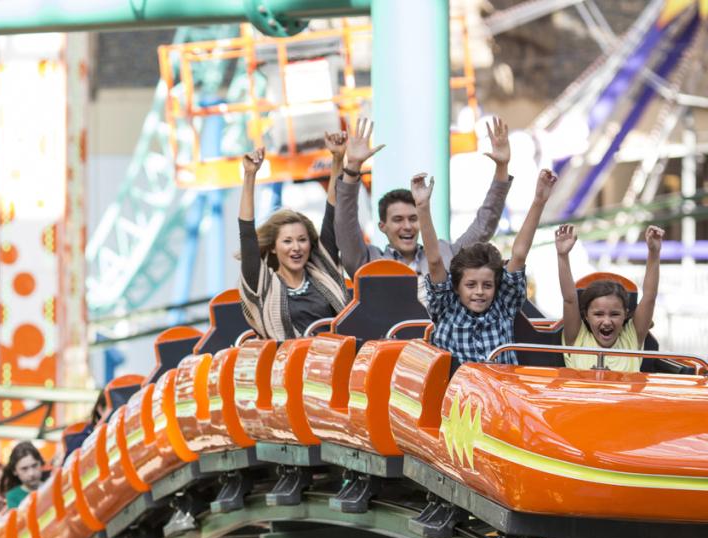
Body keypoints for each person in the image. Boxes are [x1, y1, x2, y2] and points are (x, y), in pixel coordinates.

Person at [334, 117, 513, 301]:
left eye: (413, 218)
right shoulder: (368, 262)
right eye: (398, 219)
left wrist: (502, 168)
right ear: (382, 226)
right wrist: (353, 167)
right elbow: (345, 226)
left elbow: (484, 226)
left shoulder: (446, 253)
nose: (407, 226)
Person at [419, 168, 557, 365]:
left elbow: (519, 255)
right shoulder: (447, 307)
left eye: (487, 285)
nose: (479, 292)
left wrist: (539, 200)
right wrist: (423, 208)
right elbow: (434, 261)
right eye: (471, 285)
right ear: (457, 287)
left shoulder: (503, 305)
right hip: (460, 391)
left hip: (498, 389)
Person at [237, 146, 350, 339]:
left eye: (302, 240)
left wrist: (338, 159)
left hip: (334, 358)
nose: (296, 247)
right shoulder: (263, 285)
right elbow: (247, 234)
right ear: (273, 247)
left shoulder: (322, 271)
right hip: (288, 365)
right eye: (287, 241)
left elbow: (333, 212)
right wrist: (249, 175)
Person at [555, 223, 663, 371]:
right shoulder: (577, 338)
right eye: (598, 314)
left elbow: (649, 297)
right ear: (586, 315)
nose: (607, 322)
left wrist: (654, 252)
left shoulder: (631, 337)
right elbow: (569, 299)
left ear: (625, 314)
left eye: (614, 314)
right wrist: (562, 255)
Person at [0, 441, 45, 509]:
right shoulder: (12, 496)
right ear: (14, 471)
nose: (31, 473)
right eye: (24, 469)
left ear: (41, 462)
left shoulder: (52, 485)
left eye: (34, 465)